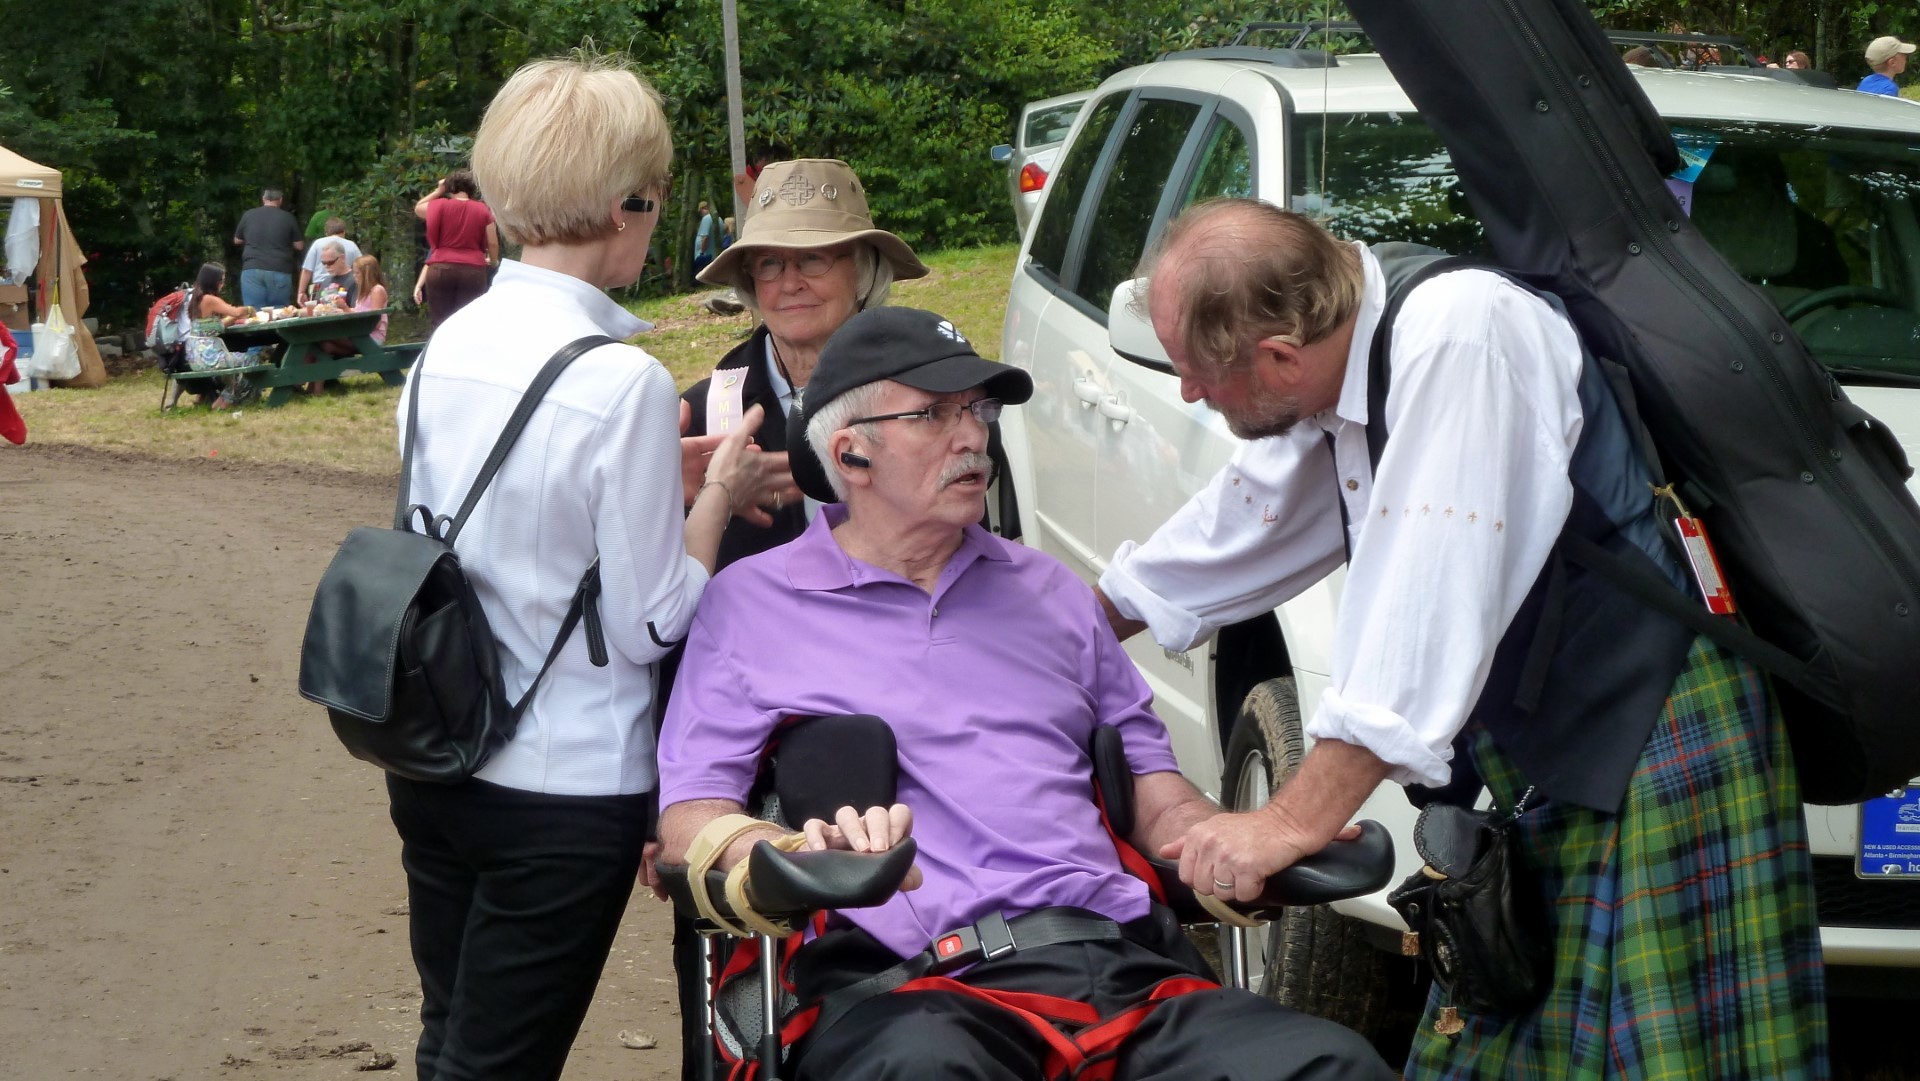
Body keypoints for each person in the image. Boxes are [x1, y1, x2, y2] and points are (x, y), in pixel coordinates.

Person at [1096, 199, 1826, 1078]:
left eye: (1193, 371)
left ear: (1279, 355)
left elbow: (1425, 604)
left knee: (1682, 1063)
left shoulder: (1462, 337)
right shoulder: (1341, 366)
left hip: (1657, 733)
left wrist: (1288, 820)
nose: (1186, 392)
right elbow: (1242, 523)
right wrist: (1056, 622)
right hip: (1551, 754)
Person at [657, 305, 1393, 1081]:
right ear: (852, 453)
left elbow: (1156, 792)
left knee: (1333, 1065)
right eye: (935, 414)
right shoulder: (752, 605)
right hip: (910, 986)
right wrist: (787, 854)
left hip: (1118, 968)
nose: (973, 434)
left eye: (978, 409)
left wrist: (1242, 839)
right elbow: (689, 816)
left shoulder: (1053, 593)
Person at [384, 51, 791, 1081]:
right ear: (629, 204)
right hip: (562, 782)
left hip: (436, 747)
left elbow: (498, 514)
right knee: (498, 1061)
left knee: (453, 1034)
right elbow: (654, 618)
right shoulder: (621, 381)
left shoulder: (448, 344)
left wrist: (664, 476)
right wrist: (714, 496)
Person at [683, 158, 929, 566]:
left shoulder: (930, 399)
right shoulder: (702, 419)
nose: (790, 281)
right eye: (769, 263)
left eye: (814, 258)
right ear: (751, 283)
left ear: (864, 269)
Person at [412, 167, 501, 330]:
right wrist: (493, 261)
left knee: (440, 322)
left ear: (450, 187)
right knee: (469, 322)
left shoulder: (438, 206)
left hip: (441, 267)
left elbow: (419, 207)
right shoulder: (483, 210)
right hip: (473, 270)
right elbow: (493, 243)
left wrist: (439, 190)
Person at [181, 262, 255, 410]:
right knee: (252, 359)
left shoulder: (196, 298)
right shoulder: (210, 299)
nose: (222, 285)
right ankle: (229, 400)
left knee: (234, 370)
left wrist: (235, 318)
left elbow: (218, 326)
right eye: (220, 281)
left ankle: (221, 403)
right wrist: (250, 309)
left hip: (196, 356)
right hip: (210, 357)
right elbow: (235, 311)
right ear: (212, 281)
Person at [231, 188, 304, 310]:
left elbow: (237, 240)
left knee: (253, 312)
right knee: (279, 311)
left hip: (252, 268)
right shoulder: (288, 217)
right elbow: (299, 245)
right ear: (280, 200)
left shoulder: (248, 215)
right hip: (279, 268)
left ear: (263, 199)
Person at [296, 217, 363, 301]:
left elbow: (307, 270)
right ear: (344, 232)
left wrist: (301, 292)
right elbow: (362, 266)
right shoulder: (351, 245)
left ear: (326, 233)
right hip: (345, 286)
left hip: (319, 286)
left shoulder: (317, 243)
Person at [692, 199, 718, 277]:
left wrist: (702, 252)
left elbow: (705, 237)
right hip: (713, 254)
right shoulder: (717, 218)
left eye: (701, 210)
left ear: (705, 208)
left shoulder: (706, 219)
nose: (701, 213)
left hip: (706, 255)